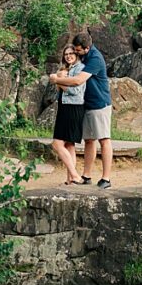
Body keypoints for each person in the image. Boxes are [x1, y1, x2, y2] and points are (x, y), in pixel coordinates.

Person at [49, 31, 113, 189]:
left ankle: (106, 178)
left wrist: (57, 80)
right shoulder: (83, 56)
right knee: (89, 140)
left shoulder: (95, 59)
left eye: (77, 50)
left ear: (87, 48)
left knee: (104, 139)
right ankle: (86, 175)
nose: (76, 53)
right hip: (85, 104)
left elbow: (78, 81)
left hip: (99, 104)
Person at [51, 45, 88, 185]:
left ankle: (75, 175)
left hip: (73, 108)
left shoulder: (80, 68)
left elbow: (75, 91)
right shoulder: (67, 69)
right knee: (69, 145)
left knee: (57, 144)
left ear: (77, 54)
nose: (68, 56)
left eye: (71, 53)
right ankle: (70, 179)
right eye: (66, 54)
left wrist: (58, 81)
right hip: (65, 108)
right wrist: (58, 78)